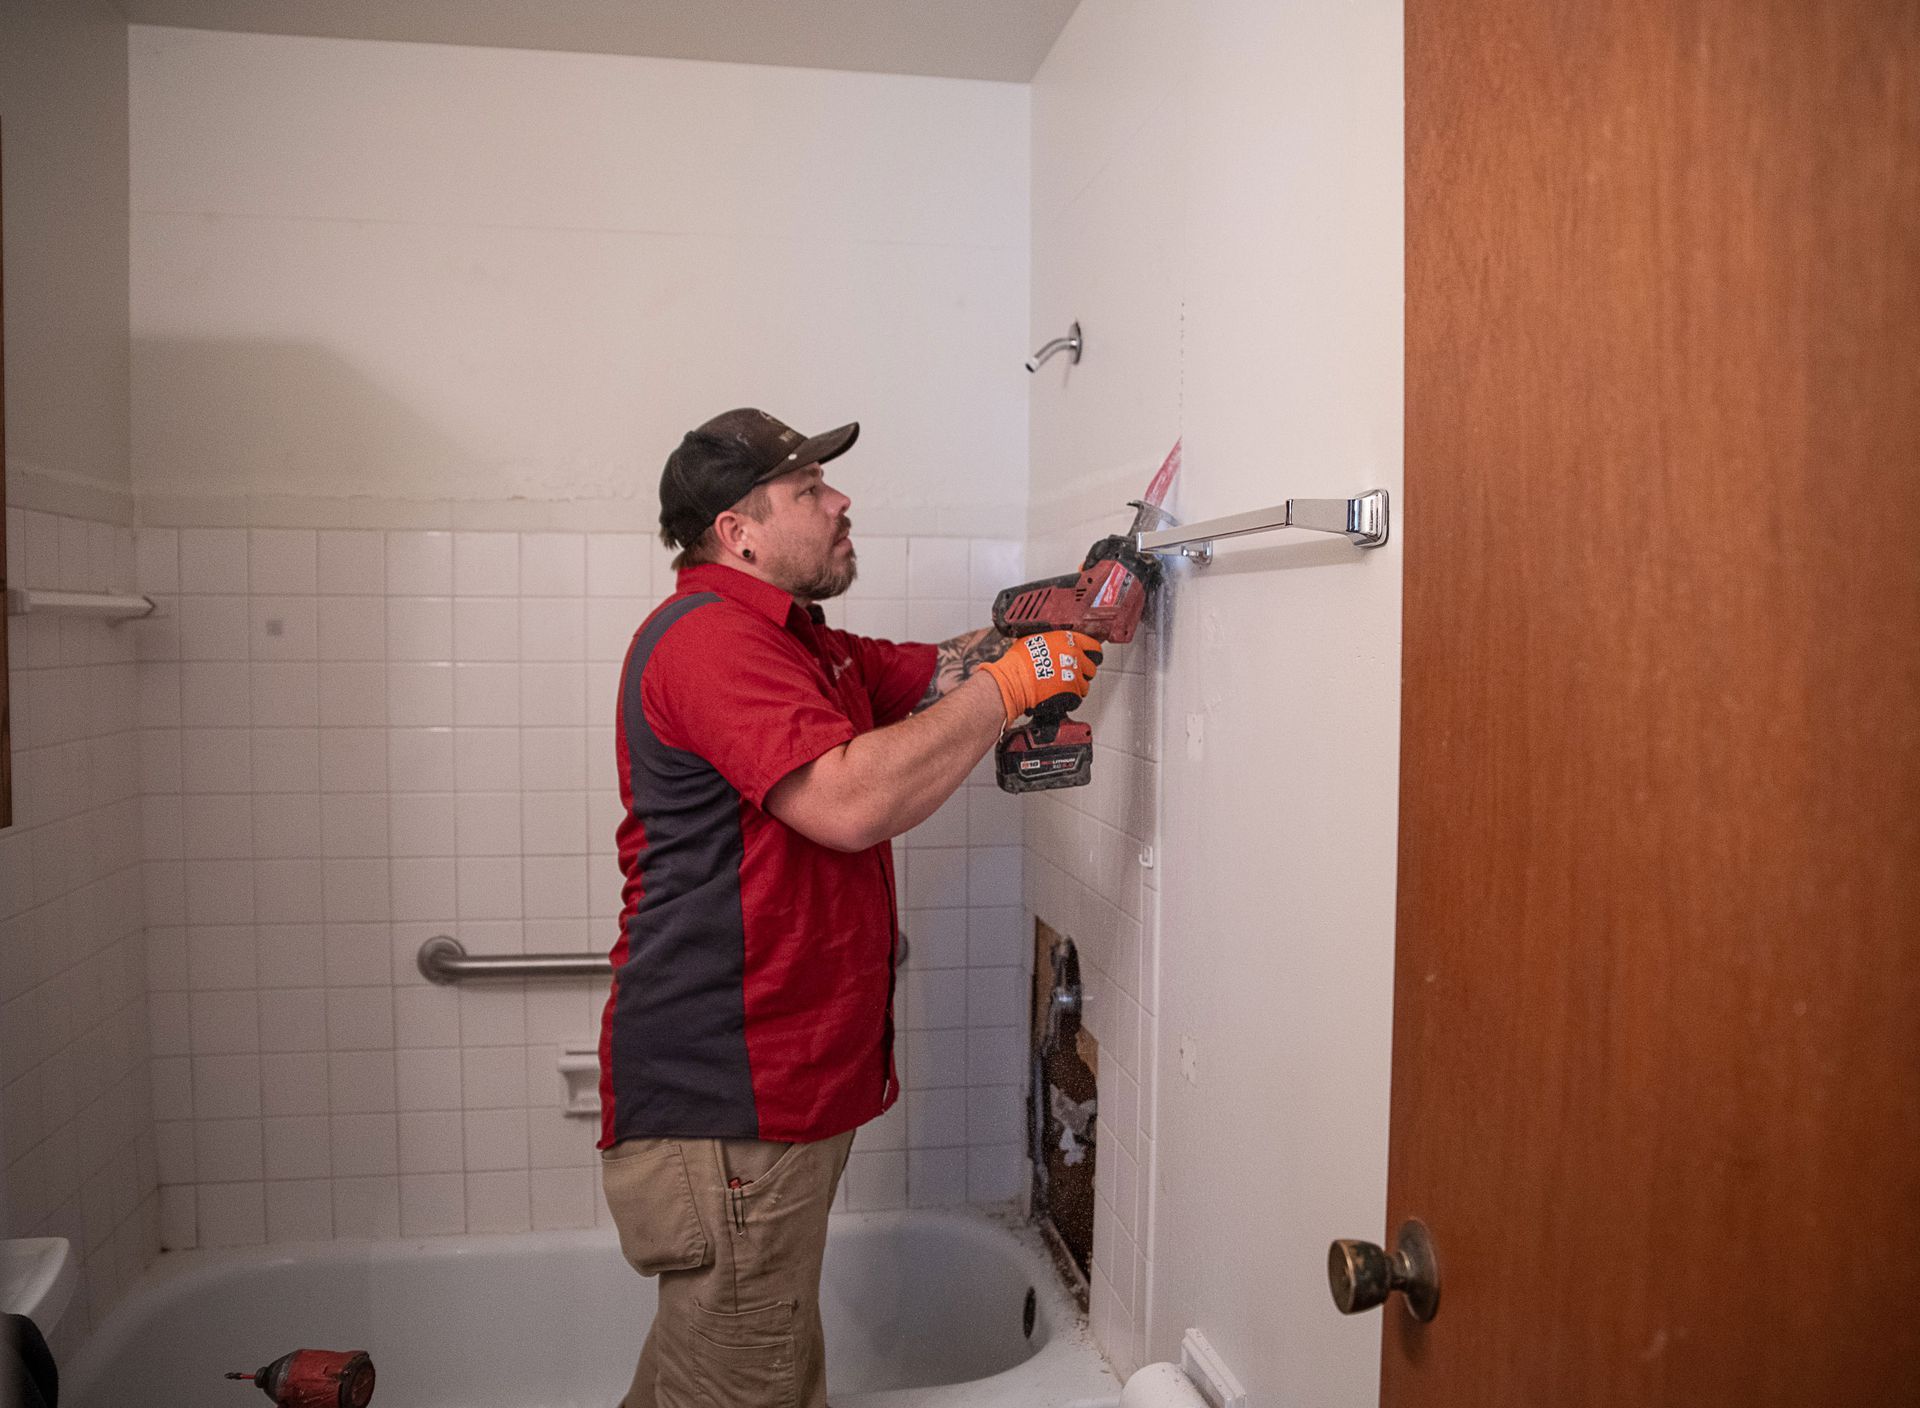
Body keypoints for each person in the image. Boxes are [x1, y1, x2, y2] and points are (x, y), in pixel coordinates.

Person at [598, 407, 1104, 1408]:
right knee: (749, 1388)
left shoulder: (800, 644)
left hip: (768, 1094)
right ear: (737, 533)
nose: (841, 502)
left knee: (717, 1373)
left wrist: (1072, 616)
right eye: (809, 492)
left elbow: (934, 672)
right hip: (727, 1102)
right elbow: (849, 800)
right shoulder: (707, 642)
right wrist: (1015, 687)